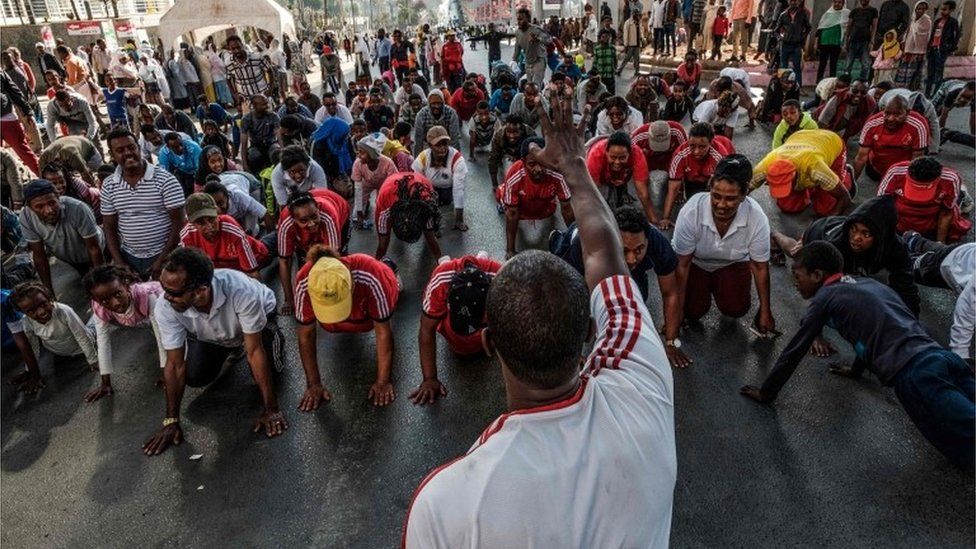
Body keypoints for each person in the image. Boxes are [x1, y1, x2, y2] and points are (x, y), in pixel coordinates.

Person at [404, 85, 676, 547]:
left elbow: (601, 254)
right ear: (591, 332)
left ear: (490, 345)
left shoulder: (446, 504)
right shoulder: (640, 374)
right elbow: (604, 252)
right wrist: (573, 163)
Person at [740, 241, 974, 468]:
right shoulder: (866, 284)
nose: (795, 284)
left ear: (817, 275)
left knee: (955, 427)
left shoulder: (825, 298)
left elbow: (794, 350)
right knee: (958, 438)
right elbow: (875, 330)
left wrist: (767, 392)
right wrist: (855, 369)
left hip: (915, 373)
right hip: (942, 357)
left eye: (798, 277)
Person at [143, 248, 286, 456]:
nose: (166, 297)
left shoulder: (241, 289)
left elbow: (255, 351)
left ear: (201, 290)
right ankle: (231, 348)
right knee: (194, 376)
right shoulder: (166, 306)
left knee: (268, 373)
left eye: (175, 293)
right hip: (214, 336)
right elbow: (174, 364)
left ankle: (272, 338)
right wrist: (171, 421)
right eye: (164, 289)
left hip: (257, 326)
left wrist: (271, 409)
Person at [552, 203, 688, 367]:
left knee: (636, 299)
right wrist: (575, 352)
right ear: (612, 240)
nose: (631, 259)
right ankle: (556, 239)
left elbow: (670, 293)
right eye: (624, 250)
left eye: (639, 249)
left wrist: (671, 343)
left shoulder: (657, 242)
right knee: (586, 299)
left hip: (621, 266)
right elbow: (571, 301)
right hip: (587, 257)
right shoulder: (585, 245)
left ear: (647, 240)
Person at [672, 154, 776, 336]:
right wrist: (676, 310)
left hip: (732, 264)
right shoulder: (691, 211)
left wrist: (765, 311)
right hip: (696, 264)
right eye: (716, 196)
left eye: (730, 198)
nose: (721, 205)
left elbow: (760, 268)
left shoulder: (757, 218)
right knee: (692, 312)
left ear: (744, 194)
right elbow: (682, 264)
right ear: (710, 187)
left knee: (737, 309)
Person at [771, 195, 920, 318]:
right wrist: (815, 334)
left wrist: (912, 325)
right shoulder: (835, 246)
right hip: (818, 232)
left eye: (865, 234)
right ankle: (775, 236)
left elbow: (906, 289)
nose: (855, 237)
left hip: (844, 239)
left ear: (881, 236)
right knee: (796, 254)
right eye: (854, 230)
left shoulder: (897, 248)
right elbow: (816, 288)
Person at [101, 127, 186, 280]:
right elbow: (109, 226)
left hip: (167, 255)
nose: (127, 153)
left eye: (131, 147)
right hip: (129, 257)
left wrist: (163, 260)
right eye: (120, 150)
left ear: (139, 148)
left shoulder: (165, 180)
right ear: (112, 155)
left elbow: (180, 223)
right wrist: (119, 262)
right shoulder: (108, 185)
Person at [83, 265, 167, 402]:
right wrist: (105, 383)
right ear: (97, 300)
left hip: (166, 314)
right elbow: (103, 342)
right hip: (141, 319)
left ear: (126, 286)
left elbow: (161, 335)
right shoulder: (99, 306)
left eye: (117, 294)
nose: (115, 303)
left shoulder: (148, 296)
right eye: (105, 300)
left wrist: (166, 371)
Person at [18, 178, 103, 294]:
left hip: (98, 250)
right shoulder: (26, 216)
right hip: (72, 258)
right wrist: (48, 292)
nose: (48, 210)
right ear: (30, 207)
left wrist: (102, 282)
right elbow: (39, 256)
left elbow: (94, 248)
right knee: (88, 284)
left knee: (100, 283)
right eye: (39, 206)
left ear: (58, 197)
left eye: (52, 203)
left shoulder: (78, 208)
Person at [9, 282, 98, 385]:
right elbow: (33, 347)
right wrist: (29, 370)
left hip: (84, 343)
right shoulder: (26, 322)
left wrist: (93, 360)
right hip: (59, 353)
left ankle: (99, 309)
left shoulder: (63, 311)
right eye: (32, 311)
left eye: (43, 304)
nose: (41, 312)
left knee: (97, 321)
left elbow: (82, 337)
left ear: (49, 298)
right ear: (23, 312)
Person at [498, 137, 574, 258]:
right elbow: (512, 214)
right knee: (504, 199)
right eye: (532, 164)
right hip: (520, 211)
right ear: (523, 162)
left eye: (542, 163)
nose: (538, 169)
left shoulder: (558, 174)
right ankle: (503, 193)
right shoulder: (514, 175)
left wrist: (574, 239)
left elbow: (566, 208)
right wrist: (510, 250)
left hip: (546, 210)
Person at [750, 130, 854, 217]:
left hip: (831, 141)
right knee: (788, 207)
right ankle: (814, 187)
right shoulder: (768, 163)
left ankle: (846, 175)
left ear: (794, 175)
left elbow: (844, 197)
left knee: (825, 209)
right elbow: (746, 186)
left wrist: (827, 221)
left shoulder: (815, 167)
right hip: (800, 136)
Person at [903, 237, 973, 361]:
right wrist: (961, 355)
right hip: (947, 265)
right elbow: (966, 309)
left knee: (939, 250)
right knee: (909, 268)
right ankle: (900, 242)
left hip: (964, 254)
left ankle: (913, 239)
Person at [877, 157, 969, 242]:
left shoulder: (950, 179)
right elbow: (880, 206)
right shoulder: (895, 173)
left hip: (931, 224)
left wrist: (940, 243)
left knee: (954, 209)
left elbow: (946, 213)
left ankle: (961, 194)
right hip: (900, 222)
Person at [662, 122, 734, 227]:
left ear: (710, 143)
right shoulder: (680, 155)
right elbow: (673, 189)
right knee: (694, 204)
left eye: (702, 147)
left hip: (715, 175)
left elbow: (727, 187)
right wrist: (665, 218)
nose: (696, 151)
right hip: (693, 178)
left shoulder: (720, 156)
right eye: (692, 146)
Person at [179, 193, 271, 275]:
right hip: (227, 271)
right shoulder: (187, 236)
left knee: (276, 240)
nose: (209, 226)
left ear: (217, 213)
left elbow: (252, 273)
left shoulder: (231, 227)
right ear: (191, 223)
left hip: (258, 255)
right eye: (201, 223)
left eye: (212, 219)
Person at [586, 131, 657, 224]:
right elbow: (592, 192)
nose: (617, 162)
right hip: (600, 179)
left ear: (630, 153)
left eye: (622, 158)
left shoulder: (637, 154)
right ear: (606, 152)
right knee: (604, 205)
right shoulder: (596, 154)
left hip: (622, 177)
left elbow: (642, 193)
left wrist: (653, 220)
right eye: (613, 157)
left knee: (624, 203)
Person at [853, 95, 929, 180]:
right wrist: (851, 186)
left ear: (907, 112)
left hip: (902, 172)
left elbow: (917, 158)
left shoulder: (918, 125)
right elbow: (861, 157)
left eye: (897, 115)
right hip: (876, 168)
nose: (890, 119)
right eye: (887, 113)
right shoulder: (872, 124)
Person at [412, 126, 469, 232]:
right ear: (430, 146)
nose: (442, 148)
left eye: (445, 144)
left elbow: (458, 189)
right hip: (429, 188)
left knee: (446, 200)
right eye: (438, 145)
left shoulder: (457, 159)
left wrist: (459, 220)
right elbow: (416, 185)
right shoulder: (422, 158)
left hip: (447, 188)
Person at [351, 133, 398, 229]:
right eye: (358, 152)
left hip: (384, 185)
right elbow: (358, 188)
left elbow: (393, 186)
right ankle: (365, 205)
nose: (359, 156)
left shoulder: (388, 163)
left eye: (362, 152)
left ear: (371, 153)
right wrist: (360, 212)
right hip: (366, 184)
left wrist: (384, 201)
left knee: (383, 209)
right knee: (355, 215)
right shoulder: (357, 163)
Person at [877, 88, 942, 153]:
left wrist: (934, 149)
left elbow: (935, 126)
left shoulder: (929, 108)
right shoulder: (894, 103)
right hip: (887, 98)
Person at [632, 120, 688, 193]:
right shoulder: (638, 137)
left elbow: (684, 158)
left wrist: (680, 188)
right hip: (649, 158)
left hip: (670, 157)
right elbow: (630, 160)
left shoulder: (678, 132)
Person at [224, 35, 275, 107]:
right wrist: (234, 95)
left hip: (262, 97)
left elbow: (270, 71)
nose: (237, 50)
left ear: (242, 45)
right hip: (246, 101)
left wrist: (270, 89)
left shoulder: (257, 57)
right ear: (229, 49)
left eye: (238, 47)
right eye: (233, 49)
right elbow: (228, 79)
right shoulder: (228, 62)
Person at [240, 94, 281, 175]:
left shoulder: (273, 116)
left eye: (267, 103)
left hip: (271, 144)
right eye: (264, 104)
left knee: (277, 152)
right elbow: (243, 144)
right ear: (254, 105)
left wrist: (283, 153)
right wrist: (245, 165)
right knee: (253, 156)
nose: (267, 106)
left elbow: (280, 137)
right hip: (256, 146)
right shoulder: (246, 119)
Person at [893, 1, 930, 90]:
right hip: (907, 50)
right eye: (919, 8)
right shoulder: (913, 19)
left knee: (913, 73)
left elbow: (924, 35)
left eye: (923, 9)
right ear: (915, 9)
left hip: (918, 52)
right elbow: (909, 33)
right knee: (903, 72)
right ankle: (900, 89)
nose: (921, 11)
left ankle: (910, 90)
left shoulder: (926, 21)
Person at [925, 1, 960, 96]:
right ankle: (927, 93)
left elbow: (956, 37)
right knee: (930, 73)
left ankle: (936, 94)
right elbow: (932, 35)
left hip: (942, 51)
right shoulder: (937, 21)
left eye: (945, 9)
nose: (942, 11)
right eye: (942, 9)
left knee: (938, 74)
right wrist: (929, 48)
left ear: (951, 10)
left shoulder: (953, 22)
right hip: (933, 49)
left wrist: (949, 48)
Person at [411, 90, 461, 155]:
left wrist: (455, 158)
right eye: (433, 104)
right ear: (429, 104)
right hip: (428, 145)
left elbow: (454, 139)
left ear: (443, 103)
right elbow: (418, 140)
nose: (436, 106)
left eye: (439, 103)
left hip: (446, 145)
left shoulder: (451, 113)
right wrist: (418, 159)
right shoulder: (421, 115)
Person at [775, 0, 811, 87]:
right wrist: (780, 38)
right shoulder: (783, 15)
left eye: (795, 1)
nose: (793, 2)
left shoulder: (802, 14)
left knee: (797, 67)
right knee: (783, 67)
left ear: (798, 2)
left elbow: (808, 27)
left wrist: (802, 37)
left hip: (796, 45)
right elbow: (776, 31)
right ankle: (782, 87)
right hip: (785, 45)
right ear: (788, 2)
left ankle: (798, 87)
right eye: (791, 0)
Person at [933, 79, 975, 151]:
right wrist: (938, 137)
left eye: (967, 98)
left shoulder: (974, 99)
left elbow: (973, 120)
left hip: (958, 86)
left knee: (948, 107)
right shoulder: (952, 93)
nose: (962, 99)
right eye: (962, 96)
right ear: (961, 91)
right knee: (933, 112)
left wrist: (973, 138)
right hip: (946, 87)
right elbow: (944, 116)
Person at [514, 7, 552, 85]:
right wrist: (514, 60)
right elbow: (517, 47)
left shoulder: (536, 29)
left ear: (528, 19)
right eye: (518, 19)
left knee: (535, 86)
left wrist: (538, 39)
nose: (519, 22)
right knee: (530, 86)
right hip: (528, 62)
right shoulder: (518, 32)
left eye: (521, 19)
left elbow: (548, 39)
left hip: (539, 60)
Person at [158, 131, 203, 196]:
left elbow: (201, 168)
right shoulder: (164, 153)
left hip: (197, 171)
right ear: (168, 147)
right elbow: (164, 174)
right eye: (175, 147)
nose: (180, 148)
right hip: (182, 172)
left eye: (181, 144)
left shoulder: (194, 147)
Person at [814, 0, 849, 82]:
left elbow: (847, 31)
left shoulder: (845, 14)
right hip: (824, 43)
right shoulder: (827, 14)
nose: (837, 4)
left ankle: (832, 82)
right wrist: (816, 43)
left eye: (839, 2)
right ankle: (818, 81)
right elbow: (819, 29)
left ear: (843, 4)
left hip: (836, 43)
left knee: (833, 64)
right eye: (835, 2)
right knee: (822, 63)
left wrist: (844, 44)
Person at [844, 0, 878, 82]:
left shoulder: (873, 11)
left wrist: (872, 41)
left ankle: (862, 83)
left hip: (865, 42)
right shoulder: (854, 11)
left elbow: (874, 27)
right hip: (853, 41)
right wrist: (846, 41)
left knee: (865, 65)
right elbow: (849, 26)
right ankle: (846, 82)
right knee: (848, 65)